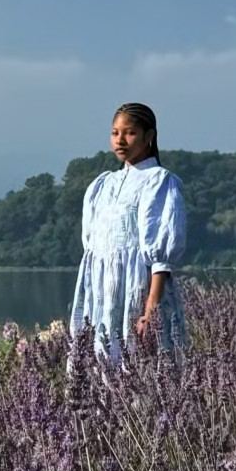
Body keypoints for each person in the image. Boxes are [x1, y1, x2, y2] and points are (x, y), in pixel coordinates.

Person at [70, 103, 188, 361]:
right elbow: (93, 255)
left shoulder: (158, 181)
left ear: (149, 136)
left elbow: (161, 259)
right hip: (102, 301)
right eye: (114, 133)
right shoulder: (102, 185)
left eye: (130, 133)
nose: (120, 140)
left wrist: (151, 309)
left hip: (138, 291)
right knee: (99, 374)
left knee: (142, 369)